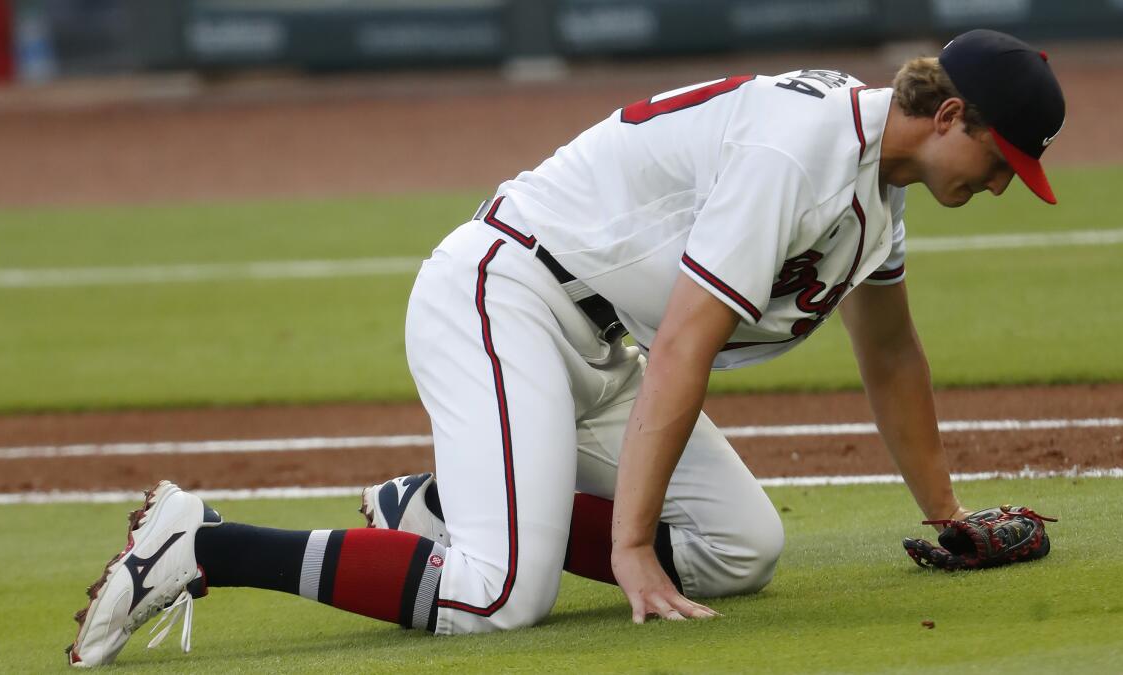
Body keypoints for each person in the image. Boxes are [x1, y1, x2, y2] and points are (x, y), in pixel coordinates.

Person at [67, 29, 1065, 666]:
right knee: (498, 598)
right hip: (507, 298)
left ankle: (436, 506)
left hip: (599, 343)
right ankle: (201, 544)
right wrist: (626, 545)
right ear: (947, 115)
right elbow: (685, 346)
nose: (1005, 182)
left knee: (739, 551)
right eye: (1002, 157)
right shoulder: (796, 153)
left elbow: (893, 359)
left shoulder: (875, 194)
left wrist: (948, 514)